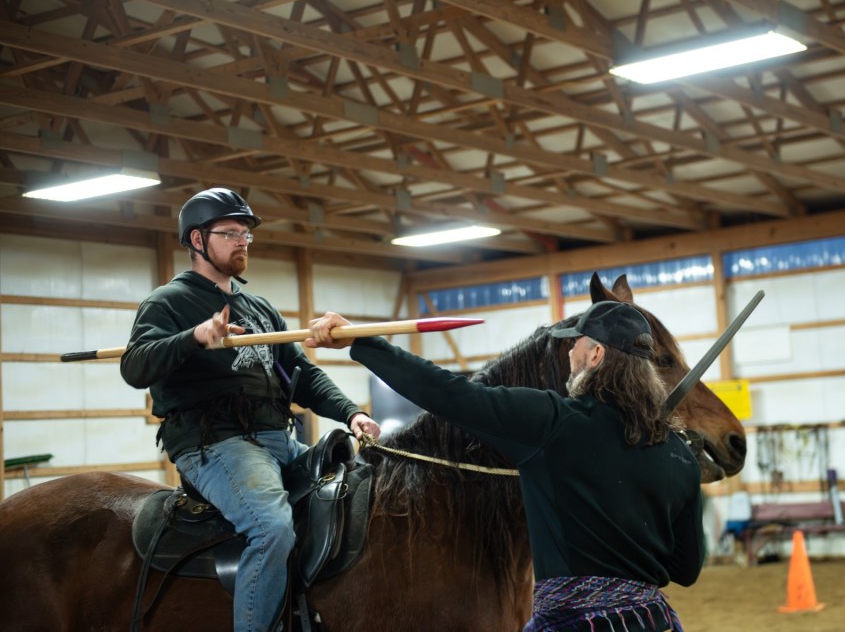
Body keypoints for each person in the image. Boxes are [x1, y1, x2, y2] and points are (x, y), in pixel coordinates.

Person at [306, 300, 704, 631]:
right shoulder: (681, 457)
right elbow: (685, 569)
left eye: (576, 345)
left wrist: (362, 343)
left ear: (596, 354)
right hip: (654, 621)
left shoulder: (554, 422)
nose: (569, 354)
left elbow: (449, 394)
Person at [120, 187, 381, 632]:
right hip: (216, 443)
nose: (243, 241)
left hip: (280, 438)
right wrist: (194, 337)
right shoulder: (168, 302)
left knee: (363, 494)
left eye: (246, 234)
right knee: (271, 527)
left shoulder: (260, 309)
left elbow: (301, 373)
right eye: (231, 233)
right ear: (198, 240)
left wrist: (350, 412)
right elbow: (135, 364)